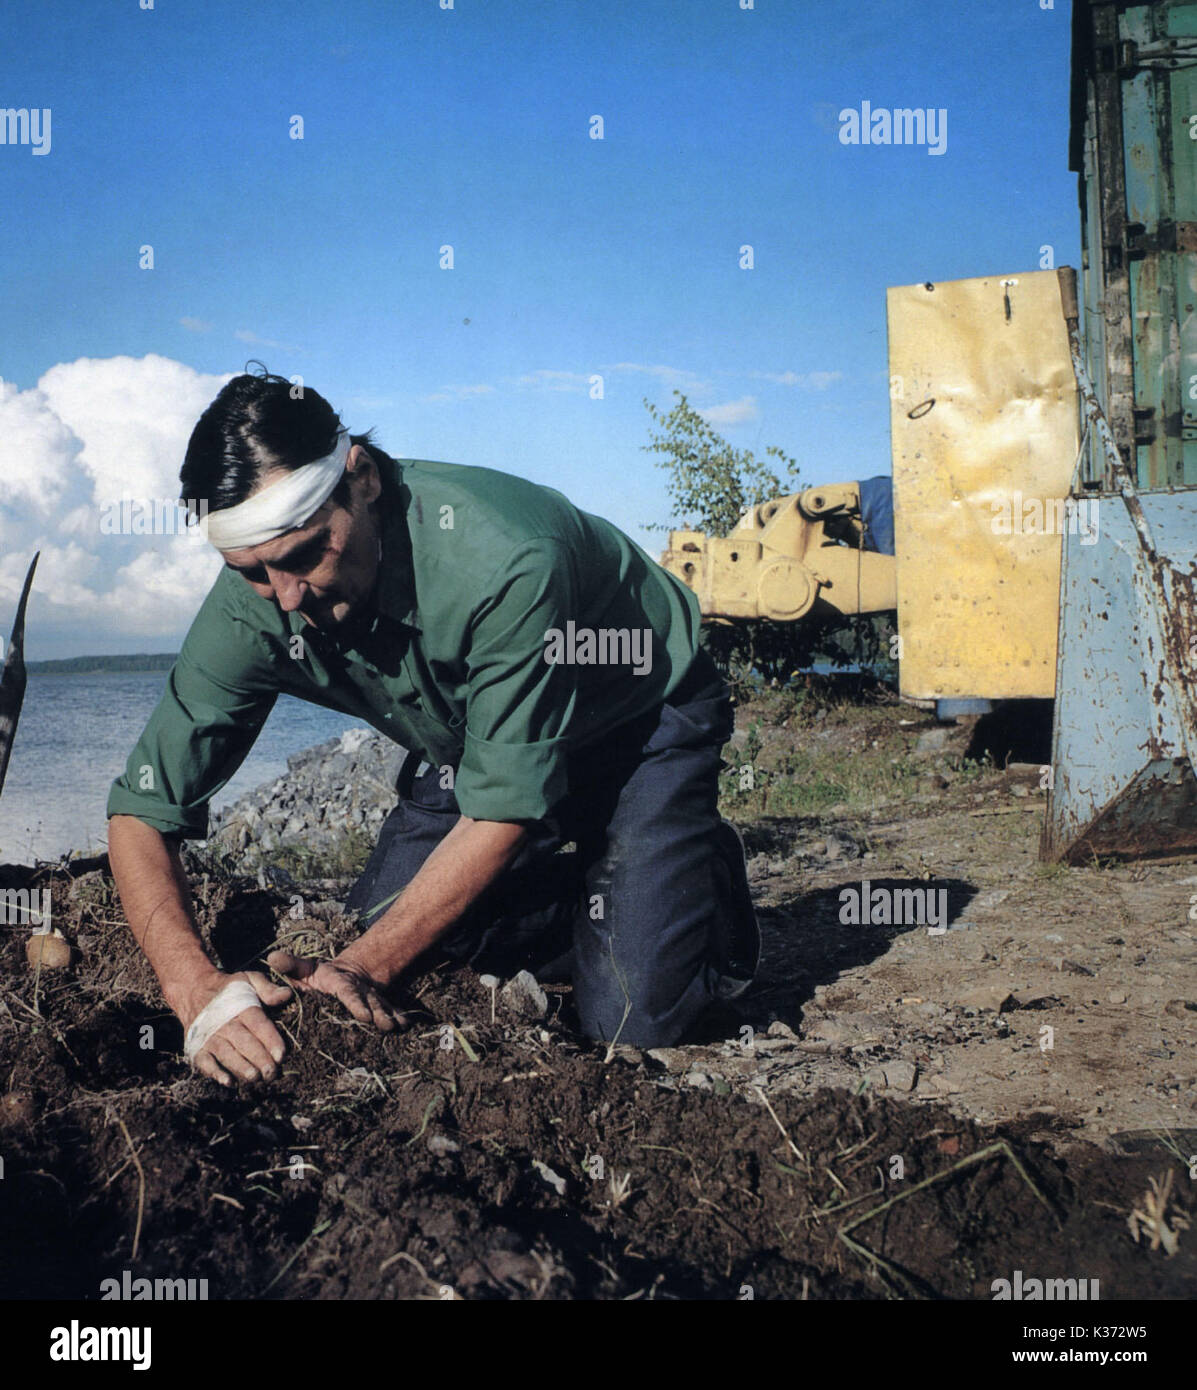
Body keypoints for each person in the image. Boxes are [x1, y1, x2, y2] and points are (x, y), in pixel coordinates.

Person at [106, 369, 759, 1088]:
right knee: (383, 934)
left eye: (303, 555)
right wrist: (193, 988)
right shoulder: (256, 602)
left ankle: (695, 875)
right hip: (474, 752)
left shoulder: (507, 556)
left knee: (631, 1022)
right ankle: (589, 887)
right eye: (252, 571)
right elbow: (142, 808)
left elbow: (503, 810)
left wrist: (362, 968)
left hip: (637, 725)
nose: (284, 599)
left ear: (361, 478)